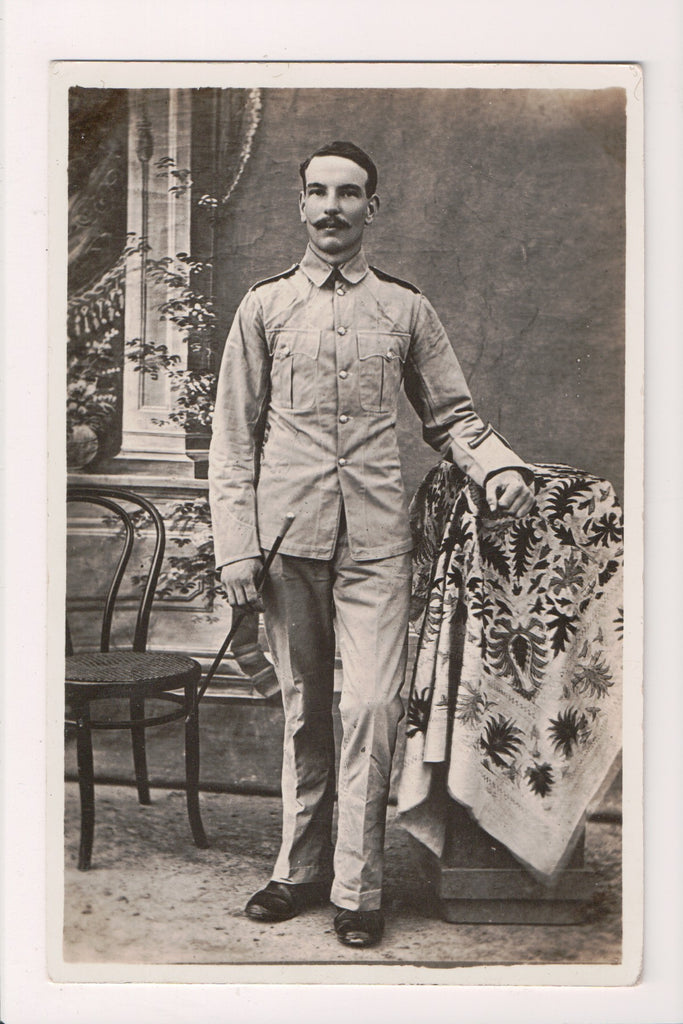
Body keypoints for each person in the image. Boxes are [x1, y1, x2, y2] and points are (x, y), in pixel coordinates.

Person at [208, 140, 535, 948]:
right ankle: (298, 872)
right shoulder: (265, 307)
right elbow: (230, 438)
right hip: (286, 538)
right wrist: (235, 548)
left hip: (376, 544)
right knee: (301, 713)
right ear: (300, 204)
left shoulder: (404, 309)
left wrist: (495, 468)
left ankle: (359, 888)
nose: (330, 208)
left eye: (348, 194)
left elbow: (452, 416)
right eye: (317, 192)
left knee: (371, 707)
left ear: (371, 208)